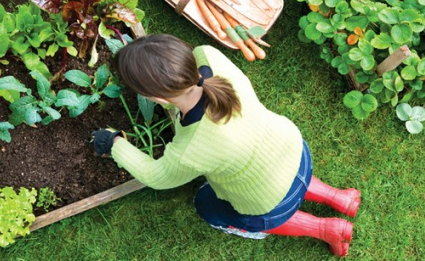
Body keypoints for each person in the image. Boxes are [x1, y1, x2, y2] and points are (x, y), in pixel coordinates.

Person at [92, 34, 361, 257]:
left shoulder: (192, 148)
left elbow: (156, 176)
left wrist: (114, 143)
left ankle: (326, 229)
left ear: (155, 97)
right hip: (294, 150)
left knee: (206, 205)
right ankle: (340, 198)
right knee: (280, 173)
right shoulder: (209, 57)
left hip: (269, 201)